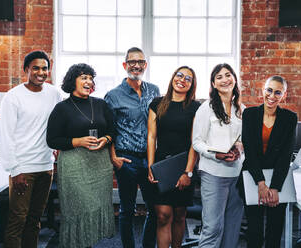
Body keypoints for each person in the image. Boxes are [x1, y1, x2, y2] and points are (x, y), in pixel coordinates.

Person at [0, 50, 62, 248]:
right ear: (26, 69)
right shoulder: (13, 97)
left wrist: (56, 146)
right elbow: (5, 136)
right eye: (35, 68)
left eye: (44, 68)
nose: (40, 72)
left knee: (34, 220)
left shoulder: (54, 94)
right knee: (18, 221)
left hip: (46, 167)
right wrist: (15, 170)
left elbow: (57, 124)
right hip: (23, 168)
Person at [46, 63, 115, 247]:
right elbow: (52, 140)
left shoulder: (101, 104)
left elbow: (113, 130)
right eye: (84, 77)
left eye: (90, 78)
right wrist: (78, 141)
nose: (88, 81)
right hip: (74, 166)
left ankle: (89, 243)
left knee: (94, 208)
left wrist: (106, 139)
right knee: (79, 209)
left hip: (99, 166)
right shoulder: (62, 108)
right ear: (72, 81)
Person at [104, 47, 160, 248]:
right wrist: (113, 158)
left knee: (154, 209)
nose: (136, 65)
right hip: (126, 159)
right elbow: (107, 129)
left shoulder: (154, 91)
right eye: (132, 62)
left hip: (151, 158)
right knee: (127, 210)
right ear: (124, 65)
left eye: (140, 62)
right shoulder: (113, 95)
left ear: (145, 65)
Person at [239, 75, 297, 248]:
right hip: (253, 178)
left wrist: (274, 187)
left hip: (277, 181)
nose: (272, 96)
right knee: (254, 233)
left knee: (274, 232)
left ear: (284, 95)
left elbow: (285, 156)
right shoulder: (249, 114)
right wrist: (261, 183)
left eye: (277, 92)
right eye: (269, 90)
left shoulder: (289, 118)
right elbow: (249, 152)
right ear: (263, 91)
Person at [147, 66, 200, 248]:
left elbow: (195, 142)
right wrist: (151, 167)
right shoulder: (157, 103)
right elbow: (151, 137)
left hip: (184, 166)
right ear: (172, 77)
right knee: (162, 216)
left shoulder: (194, 107)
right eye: (179, 75)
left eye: (188, 78)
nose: (182, 80)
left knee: (179, 216)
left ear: (192, 85)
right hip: (162, 166)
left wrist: (188, 172)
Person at [192, 63, 244, 248]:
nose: (225, 80)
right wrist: (217, 155)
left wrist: (239, 149)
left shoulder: (241, 108)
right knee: (213, 228)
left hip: (236, 176)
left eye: (228, 75)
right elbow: (197, 142)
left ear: (234, 79)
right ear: (213, 84)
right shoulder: (206, 108)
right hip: (213, 174)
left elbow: (242, 140)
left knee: (232, 229)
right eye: (219, 77)